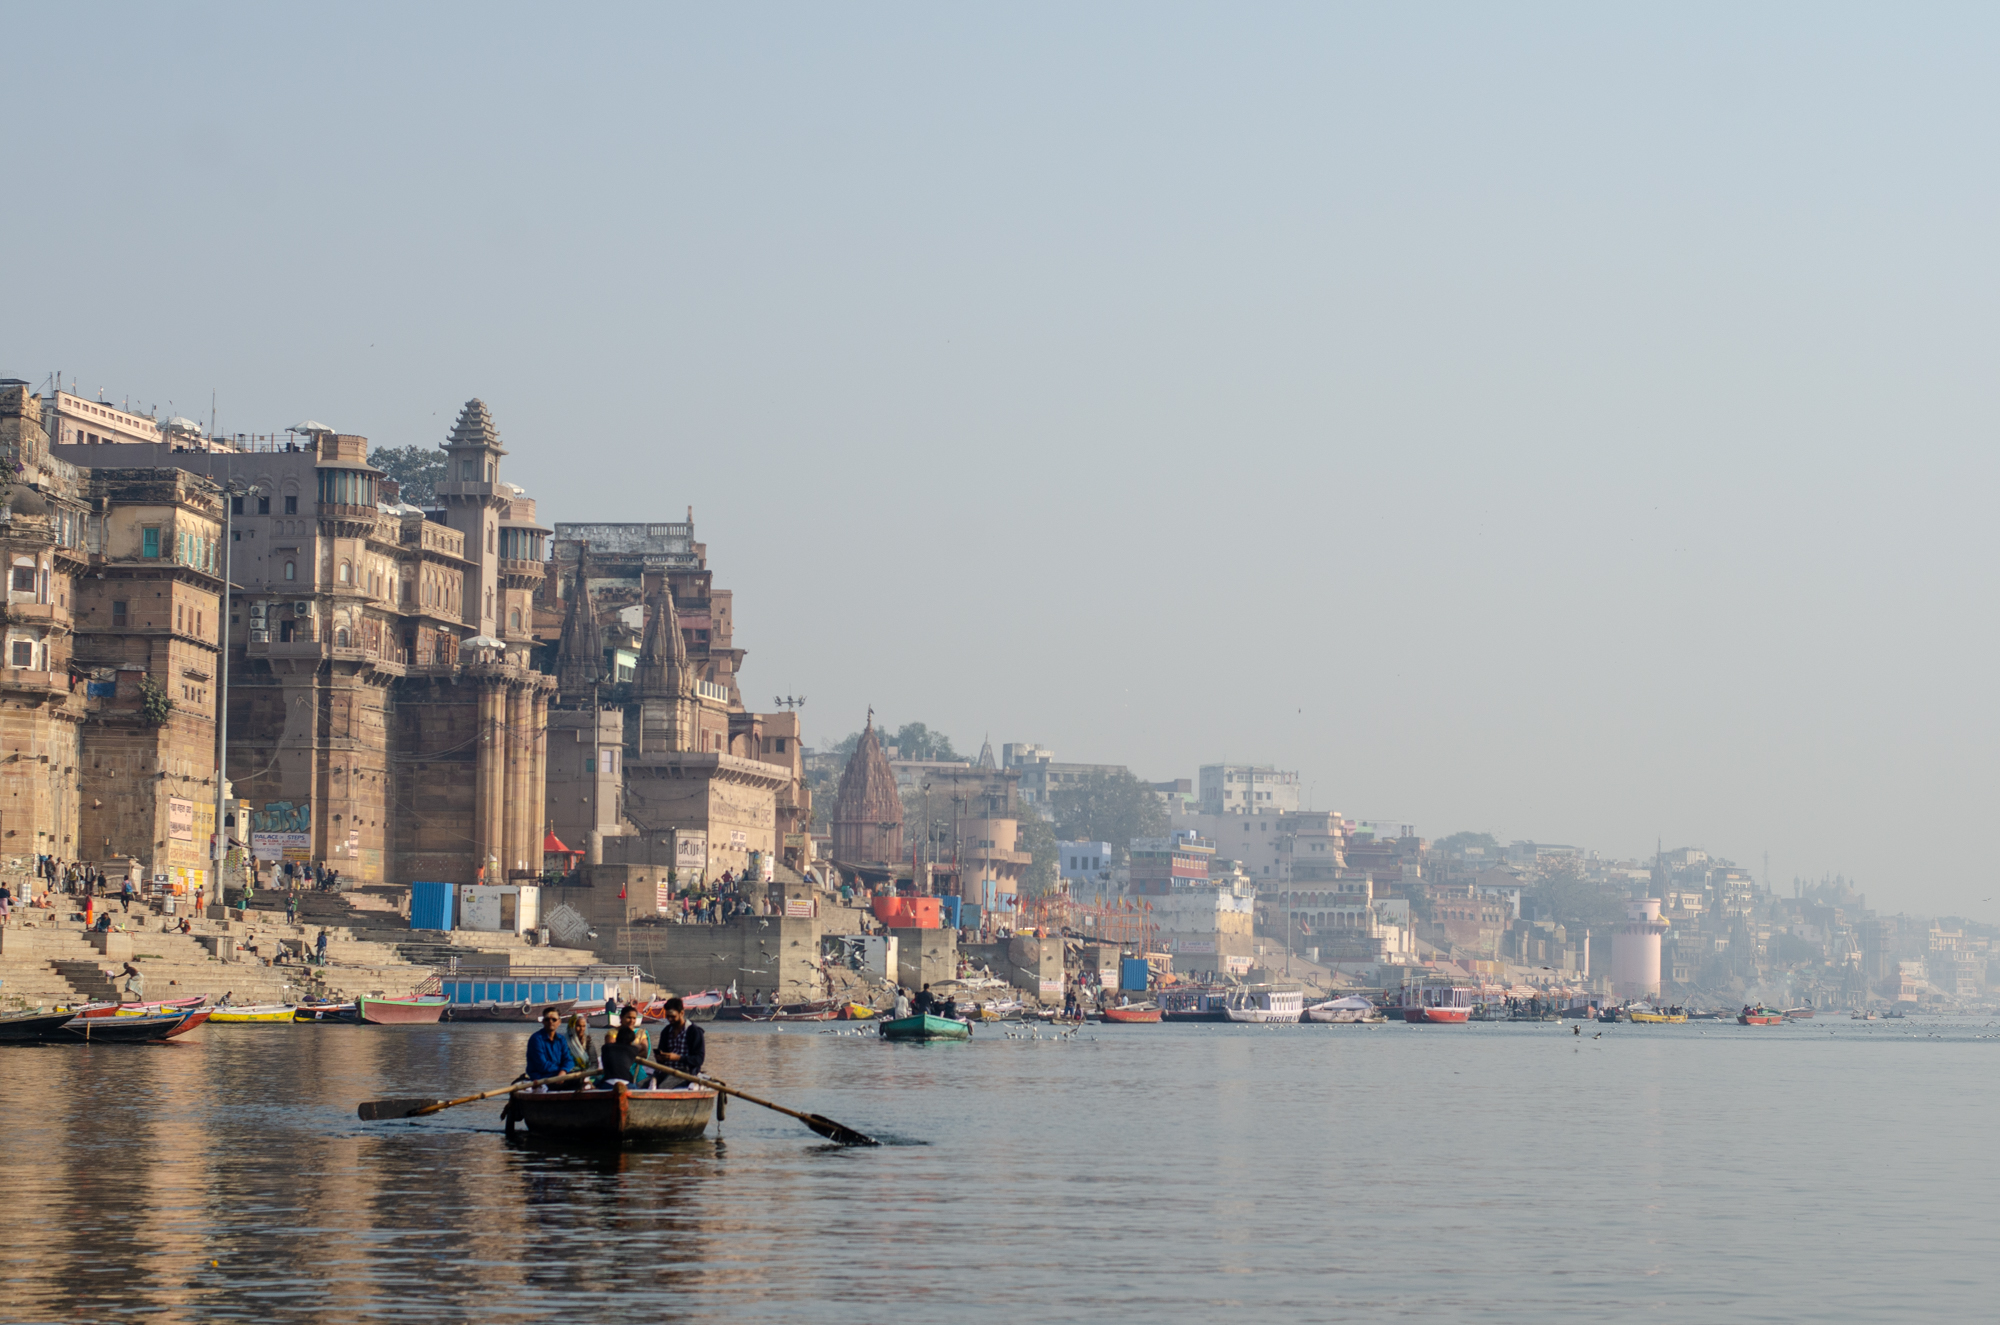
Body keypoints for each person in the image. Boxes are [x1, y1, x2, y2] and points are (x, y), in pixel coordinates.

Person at [655, 996, 706, 1079]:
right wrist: (660, 1058)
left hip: (686, 1074)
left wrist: (678, 1058)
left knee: (663, 1086)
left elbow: (699, 1060)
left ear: (681, 1013)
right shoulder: (666, 1032)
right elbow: (662, 1055)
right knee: (642, 1085)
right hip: (666, 1071)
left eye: (673, 1016)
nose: (670, 1019)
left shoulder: (694, 1032)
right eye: (667, 1016)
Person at [599, 1005, 652, 1085]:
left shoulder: (640, 1033)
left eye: (634, 1018)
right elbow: (611, 1053)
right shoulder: (612, 1033)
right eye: (628, 1017)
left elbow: (644, 1053)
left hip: (636, 1071)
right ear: (621, 1018)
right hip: (616, 1069)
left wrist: (626, 1057)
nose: (631, 1021)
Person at [525, 1007, 571, 1081]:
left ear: (559, 1022)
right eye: (547, 1019)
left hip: (559, 1076)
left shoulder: (561, 1039)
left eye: (554, 1019)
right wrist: (561, 1070)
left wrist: (563, 1071)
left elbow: (568, 1059)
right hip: (541, 1078)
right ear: (543, 1021)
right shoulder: (536, 1039)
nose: (550, 1021)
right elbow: (542, 1065)